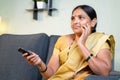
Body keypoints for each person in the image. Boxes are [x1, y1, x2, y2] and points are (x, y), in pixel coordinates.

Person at [22, 5, 115, 80]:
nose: (75, 22)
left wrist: (81, 44)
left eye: (81, 18)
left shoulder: (100, 40)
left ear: (93, 22)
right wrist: (40, 63)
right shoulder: (62, 40)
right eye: (73, 18)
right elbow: (50, 75)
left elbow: (104, 72)